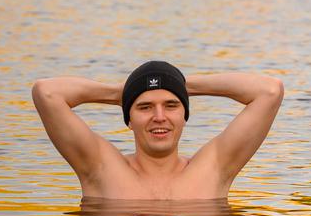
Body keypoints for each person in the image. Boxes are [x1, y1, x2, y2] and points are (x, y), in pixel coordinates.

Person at [31, 60, 285, 199]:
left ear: (184, 115)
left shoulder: (213, 168)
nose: (159, 117)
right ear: (128, 118)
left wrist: (178, 83)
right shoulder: (100, 168)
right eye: (144, 107)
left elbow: (269, 91)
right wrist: (129, 89)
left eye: (172, 105)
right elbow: (47, 92)